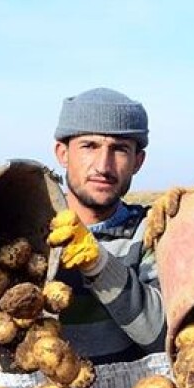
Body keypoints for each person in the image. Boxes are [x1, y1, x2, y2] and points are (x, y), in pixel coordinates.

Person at [42, 87, 167, 363]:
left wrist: (98, 263)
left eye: (120, 149)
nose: (103, 165)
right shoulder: (27, 233)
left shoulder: (150, 232)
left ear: (138, 161)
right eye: (89, 146)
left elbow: (162, 337)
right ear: (62, 153)